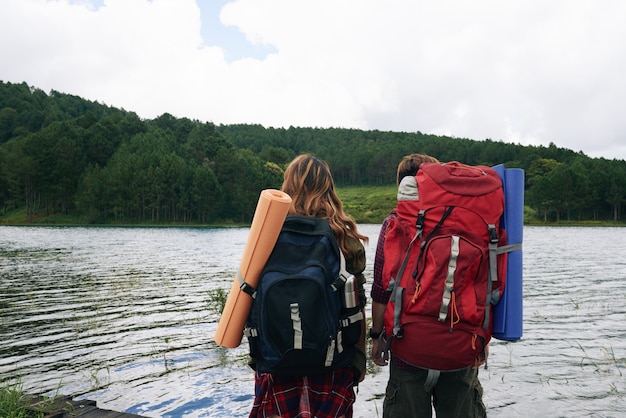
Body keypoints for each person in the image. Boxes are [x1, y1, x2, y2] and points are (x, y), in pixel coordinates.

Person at [249, 154, 368, 418]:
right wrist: (358, 362)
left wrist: (257, 358)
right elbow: (358, 308)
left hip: (276, 363)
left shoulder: (267, 235)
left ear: (287, 185)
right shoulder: (346, 241)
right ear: (329, 188)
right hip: (332, 365)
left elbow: (249, 298)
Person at [369, 153, 488, 418]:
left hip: (408, 346)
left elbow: (381, 288)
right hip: (461, 346)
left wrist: (376, 336)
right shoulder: (471, 224)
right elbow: (485, 285)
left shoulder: (395, 223)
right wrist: (482, 337)